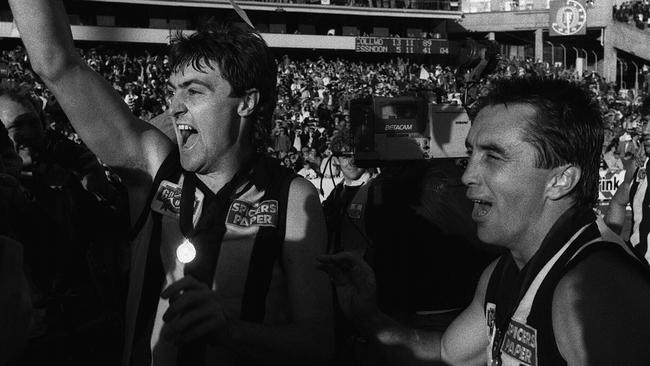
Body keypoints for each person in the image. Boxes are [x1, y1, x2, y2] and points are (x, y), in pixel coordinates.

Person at [9, 1, 334, 366]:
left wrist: (232, 331)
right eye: (173, 90)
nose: (174, 106)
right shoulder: (153, 169)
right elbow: (57, 65)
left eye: (194, 91)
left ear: (247, 102)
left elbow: (319, 342)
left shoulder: (292, 197)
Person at [319, 77, 650, 365]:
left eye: (493, 156)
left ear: (560, 180)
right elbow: (448, 354)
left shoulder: (594, 289)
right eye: (470, 154)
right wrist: (368, 316)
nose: (466, 175)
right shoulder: (501, 272)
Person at [606, 119, 650, 264]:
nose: (645, 130)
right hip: (639, 269)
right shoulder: (637, 167)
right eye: (645, 123)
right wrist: (611, 243)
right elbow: (618, 202)